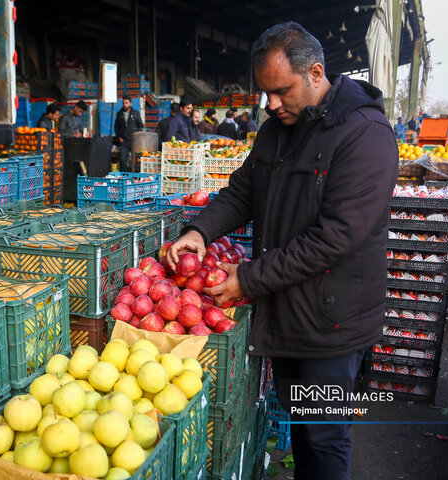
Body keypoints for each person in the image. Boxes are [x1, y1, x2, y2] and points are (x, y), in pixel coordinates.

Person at [166, 22, 397, 480]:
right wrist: (200, 231)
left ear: (315, 72)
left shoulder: (364, 135)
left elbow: (335, 238)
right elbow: (243, 191)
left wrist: (248, 279)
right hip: (287, 306)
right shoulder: (276, 130)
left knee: (324, 436)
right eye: (264, 93)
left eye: (281, 90)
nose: (271, 103)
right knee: (304, 426)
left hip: (333, 320)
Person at [114, 95, 145, 171]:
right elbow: (116, 127)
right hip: (124, 141)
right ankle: (124, 176)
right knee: (123, 159)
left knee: (136, 160)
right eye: (124, 103)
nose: (125, 105)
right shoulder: (119, 114)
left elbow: (141, 126)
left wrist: (139, 137)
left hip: (134, 141)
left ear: (130, 103)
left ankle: (135, 175)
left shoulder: (135, 113)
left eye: (126, 103)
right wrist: (119, 137)